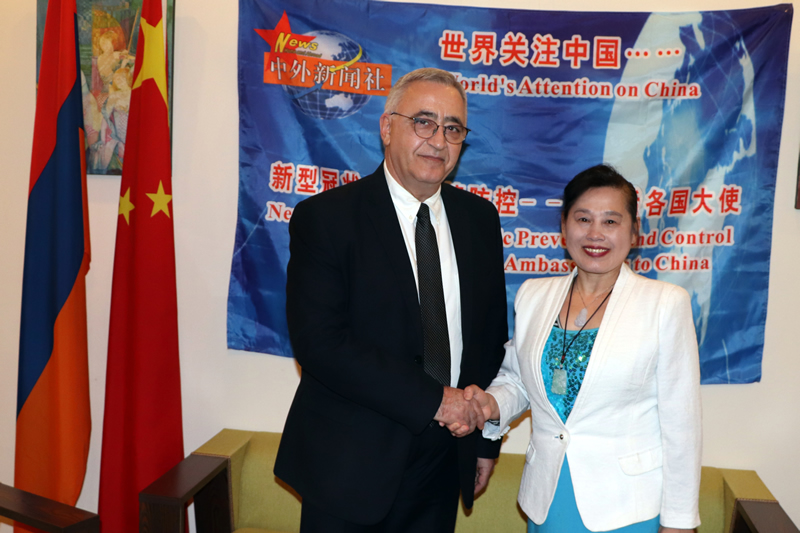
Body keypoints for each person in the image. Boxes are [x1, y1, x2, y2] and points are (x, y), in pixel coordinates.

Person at [275, 68, 509, 533]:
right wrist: (435, 401)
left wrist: (484, 442)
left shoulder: (479, 219)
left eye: (453, 128)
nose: (438, 141)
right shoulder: (327, 218)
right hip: (349, 466)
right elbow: (320, 344)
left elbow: (488, 339)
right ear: (387, 127)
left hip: (443, 463)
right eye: (424, 122)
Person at [467, 164, 702, 533]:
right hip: (548, 498)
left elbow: (682, 424)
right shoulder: (534, 295)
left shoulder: (665, 304)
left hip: (626, 507)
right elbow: (519, 380)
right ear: (564, 227)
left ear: (634, 232)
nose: (595, 234)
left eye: (610, 221)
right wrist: (490, 404)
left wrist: (679, 521)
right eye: (583, 219)